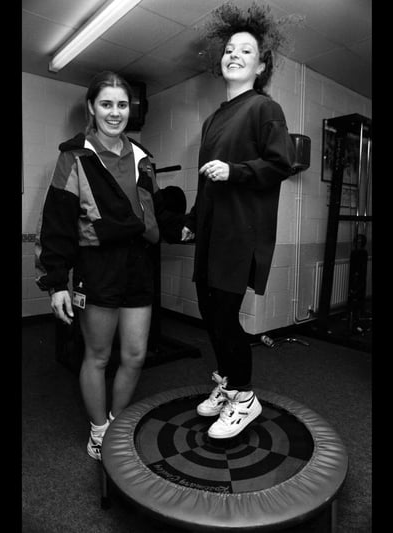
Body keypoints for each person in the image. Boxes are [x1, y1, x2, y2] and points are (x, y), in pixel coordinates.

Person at [35, 71, 165, 461]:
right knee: (98, 355)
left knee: (136, 354)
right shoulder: (73, 156)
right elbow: (56, 221)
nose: (115, 112)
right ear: (92, 108)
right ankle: (98, 432)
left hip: (138, 262)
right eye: (106, 104)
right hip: (98, 264)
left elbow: (151, 213)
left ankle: (116, 423)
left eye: (122, 105)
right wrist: (57, 281)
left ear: (131, 110)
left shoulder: (144, 158)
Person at [182, 3, 295, 439]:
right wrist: (193, 218)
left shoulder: (265, 108)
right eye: (229, 49)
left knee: (225, 317)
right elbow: (205, 180)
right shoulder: (212, 119)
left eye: (245, 51)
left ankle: (245, 398)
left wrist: (237, 171)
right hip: (211, 231)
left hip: (239, 233)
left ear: (261, 65)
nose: (234, 55)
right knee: (210, 315)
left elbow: (280, 163)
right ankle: (228, 383)